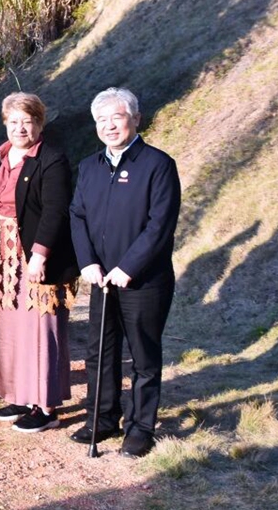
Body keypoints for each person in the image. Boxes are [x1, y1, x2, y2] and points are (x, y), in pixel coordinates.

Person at [69, 87, 180, 458]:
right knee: (100, 351)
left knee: (143, 356)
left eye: (116, 117)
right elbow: (78, 216)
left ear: (135, 119)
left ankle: (141, 426)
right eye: (101, 120)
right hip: (101, 278)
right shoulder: (88, 166)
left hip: (143, 280)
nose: (108, 125)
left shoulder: (158, 165)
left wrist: (128, 267)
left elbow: (159, 225)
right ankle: (101, 418)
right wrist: (87, 262)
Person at [0, 92, 79, 432]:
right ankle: (19, 394)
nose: (20, 128)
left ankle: (45, 407)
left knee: (38, 326)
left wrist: (39, 254)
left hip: (32, 256)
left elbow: (55, 211)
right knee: (9, 325)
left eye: (28, 121)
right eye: (14, 121)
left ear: (39, 124)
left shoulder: (52, 159)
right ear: (5, 123)